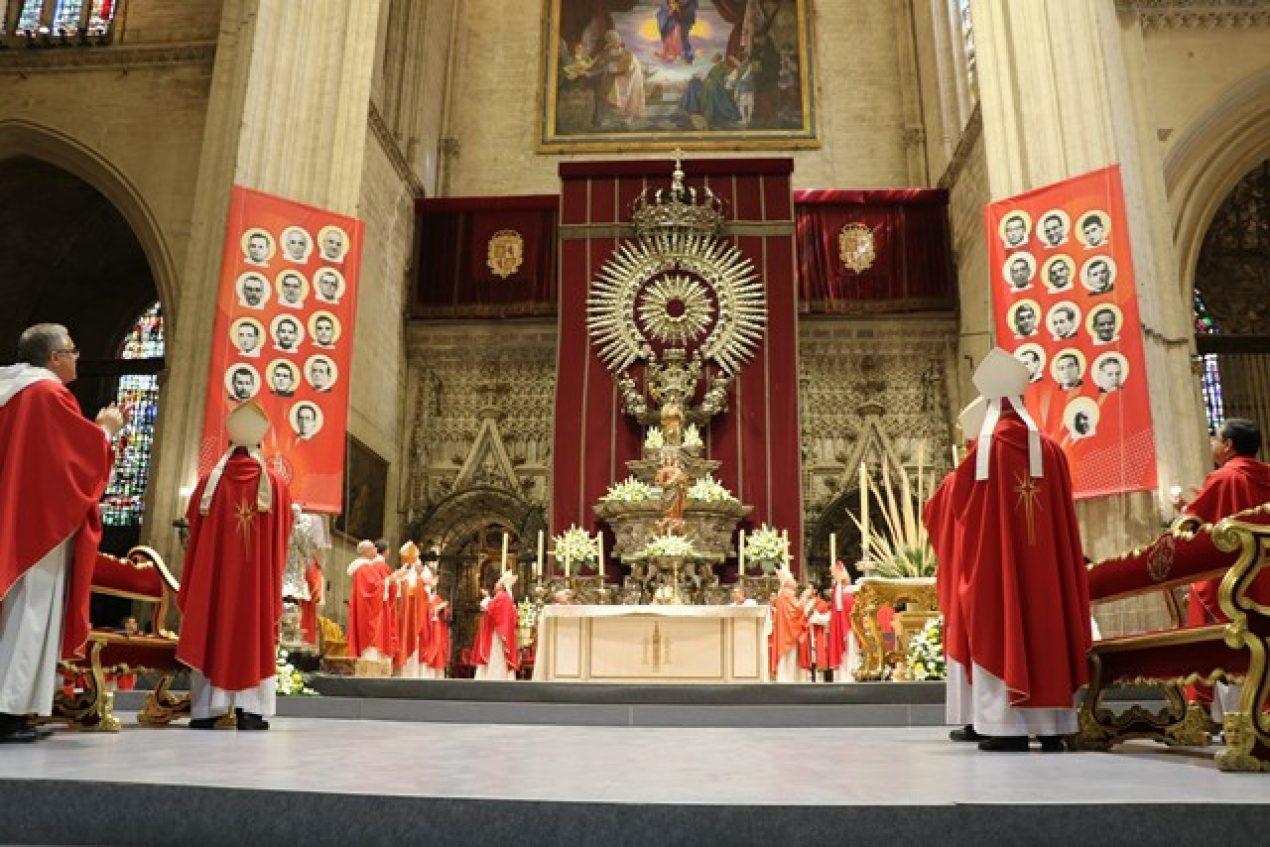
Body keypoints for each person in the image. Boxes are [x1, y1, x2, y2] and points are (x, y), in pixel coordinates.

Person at [946, 348, 1090, 752]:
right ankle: (1053, 728)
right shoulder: (1053, 452)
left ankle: (1006, 729)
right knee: (1046, 623)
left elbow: (957, 509)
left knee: (1002, 621)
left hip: (1000, 569)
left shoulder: (985, 454)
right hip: (1047, 570)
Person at [0, 324, 122, 743]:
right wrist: (105, 429)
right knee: (29, 614)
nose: (77, 357)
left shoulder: (10, 392)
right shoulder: (47, 394)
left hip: (14, 517)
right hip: (39, 528)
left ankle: (18, 709)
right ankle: (8, 712)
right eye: (72, 350)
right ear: (54, 358)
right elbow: (75, 461)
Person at [177, 401, 293, 730]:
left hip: (215, 580)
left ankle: (206, 711)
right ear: (260, 442)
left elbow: (193, 526)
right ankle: (251, 711)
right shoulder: (275, 486)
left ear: (229, 441)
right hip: (255, 584)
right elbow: (282, 534)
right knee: (252, 628)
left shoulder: (207, 484)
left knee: (212, 619)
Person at [1176, 418, 1270, 719]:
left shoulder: (1222, 478)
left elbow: (1190, 529)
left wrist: (1183, 509)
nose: (1213, 444)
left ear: (1228, 445)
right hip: (1265, 580)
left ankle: (1235, 720)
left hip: (1233, 583)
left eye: (1215, 439)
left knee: (1229, 649)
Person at [924, 396, 985, 739]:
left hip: (975, 579)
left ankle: (985, 720)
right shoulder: (1045, 455)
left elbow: (935, 516)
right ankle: (1047, 725)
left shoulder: (960, 477)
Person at [346, 540, 392, 660]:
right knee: (368, 642)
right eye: (373, 548)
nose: (375, 550)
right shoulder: (364, 568)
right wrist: (389, 581)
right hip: (366, 609)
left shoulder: (366, 566)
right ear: (366, 551)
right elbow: (372, 589)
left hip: (363, 606)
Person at [392, 542, 429, 679]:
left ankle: (407, 673)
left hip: (411, 618)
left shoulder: (415, 579)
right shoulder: (401, 576)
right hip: (401, 617)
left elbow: (423, 598)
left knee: (409, 640)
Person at [473, 571, 518, 680]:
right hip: (496, 633)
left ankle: (494, 678)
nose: (495, 585)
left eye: (497, 582)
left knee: (496, 657)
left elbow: (492, 610)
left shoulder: (502, 596)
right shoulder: (503, 597)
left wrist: (487, 600)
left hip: (497, 636)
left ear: (501, 584)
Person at [768, 567, 808, 683]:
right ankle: (789, 679)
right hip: (789, 631)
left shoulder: (783, 594)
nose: (795, 582)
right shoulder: (787, 594)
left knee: (787, 656)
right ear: (788, 583)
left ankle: (785, 677)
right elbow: (797, 610)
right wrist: (804, 598)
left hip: (786, 630)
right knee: (790, 656)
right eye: (793, 579)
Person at [825, 560, 856, 683]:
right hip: (838, 625)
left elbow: (850, 607)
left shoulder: (848, 590)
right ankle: (842, 677)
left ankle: (851, 675)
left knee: (850, 650)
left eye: (834, 572)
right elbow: (835, 608)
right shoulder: (836, 589)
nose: (833, 575)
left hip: (849, 625)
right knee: (841, 653)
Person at [421, 564, 451, 679]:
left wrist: (443, 609)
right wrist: (434, 610)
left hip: (437, 632)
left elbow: (445, 615)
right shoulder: (422, 594)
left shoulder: (436, 597)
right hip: (426, 633)